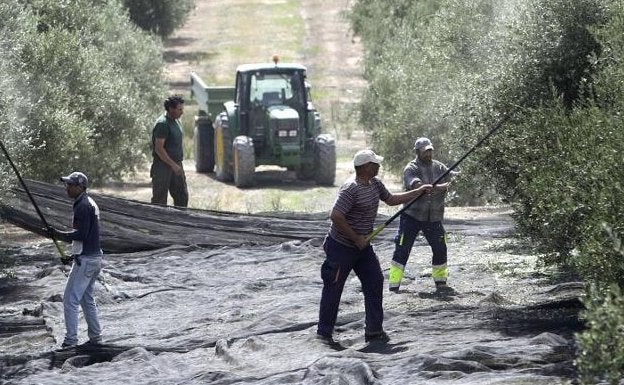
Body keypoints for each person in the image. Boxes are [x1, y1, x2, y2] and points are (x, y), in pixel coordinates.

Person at [317, 149, 433, 345]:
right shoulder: (350, 189)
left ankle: (374, 331)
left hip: (363, 249)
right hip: (341, 247)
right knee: (334, 288)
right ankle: (324, 333)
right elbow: (336, 216)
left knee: (375, 281)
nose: (379, 166)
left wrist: (419, 192)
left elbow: (391, 200)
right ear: (365, 167)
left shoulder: (375, 184)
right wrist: (355, 238)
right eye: (375, 164)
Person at [48, 171, 103, 348]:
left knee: (70, 299)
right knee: (87, 298)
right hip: (92, 258)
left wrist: (58, 234)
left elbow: (82, 234)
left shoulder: (83, 206)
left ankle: (71, 340)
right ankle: (96, 337)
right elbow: (87, 236)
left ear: (81, 187)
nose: (67, 187)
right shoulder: (86, 203)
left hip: (87, 260)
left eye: (70, 185)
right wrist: (73, 255)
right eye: (67, 184)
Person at [389, 137, 451, 293]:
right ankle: (394, 285)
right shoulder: (411, 168)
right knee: (402, 249)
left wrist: (461, 177)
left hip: (434, 218)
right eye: (425, 152)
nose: (428, 154)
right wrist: (428, 187)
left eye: (430, 150)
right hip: (411, 217)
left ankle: (440, 282)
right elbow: (416, 184)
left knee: (440, 248)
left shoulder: (439, 167)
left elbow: (453, 179)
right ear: (417, 152)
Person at [151, 95, 188, 207]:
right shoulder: (163, 124)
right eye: (179, 109)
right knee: (159, 200)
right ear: (171, 109)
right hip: (163, 167)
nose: (182, 112)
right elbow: (159, 148)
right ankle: (158, 223)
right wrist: (173, 165)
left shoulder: (176, 121)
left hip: (176, 164)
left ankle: (180, 222)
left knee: (182, 197)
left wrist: (177, 165)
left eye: (182, 109)